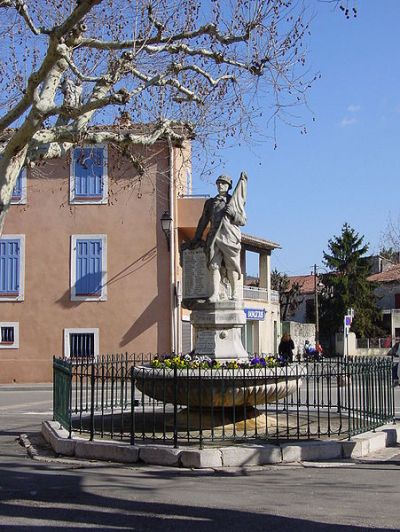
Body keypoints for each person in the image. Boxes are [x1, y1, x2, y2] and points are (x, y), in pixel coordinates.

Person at [193, 172, 247, 302]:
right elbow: (203, 221)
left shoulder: (233, 201)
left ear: (229, 186)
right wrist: (197, 237)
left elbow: (243, 220)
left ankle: (234, 294)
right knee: (214, 265)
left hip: (229, 237)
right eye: (218, 183)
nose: (220, 185)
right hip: (214, 237)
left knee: (231, 265)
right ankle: (215, 293)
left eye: (223, 183)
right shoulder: (210, 203)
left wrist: (233, 213)